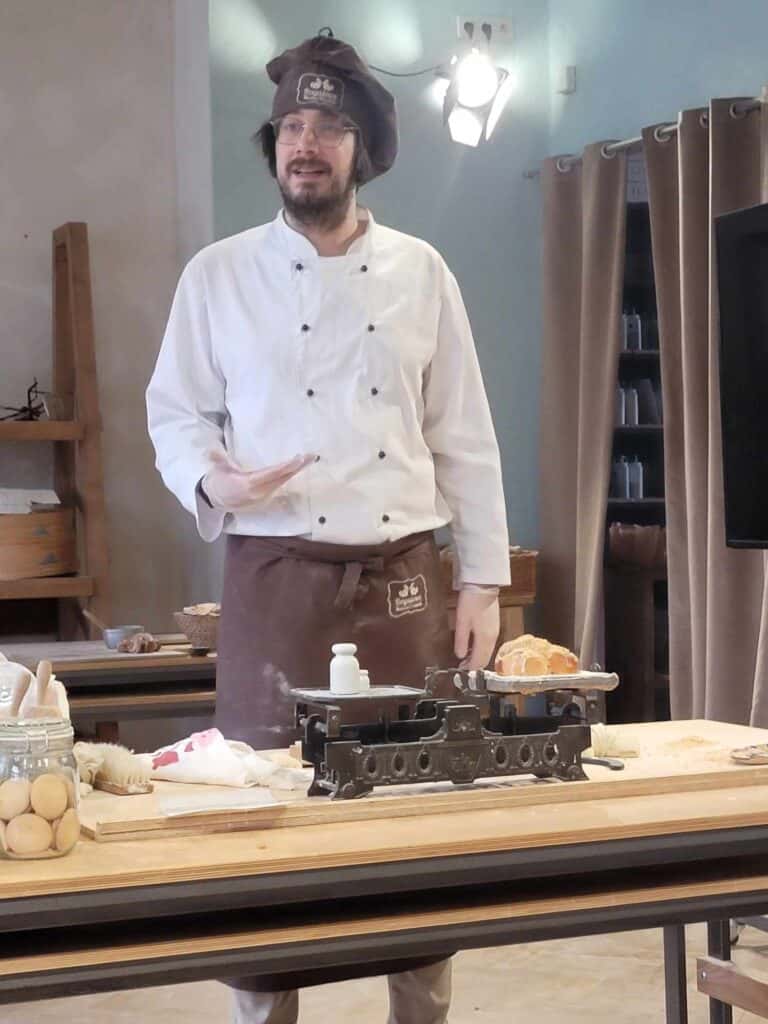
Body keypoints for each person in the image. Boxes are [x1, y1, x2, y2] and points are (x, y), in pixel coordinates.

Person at [147, 30, 510, 1024]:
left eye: (330, 127)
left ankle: (418, 1008)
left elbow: (464, 434)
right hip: (273, 579)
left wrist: (481, 579)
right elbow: (172, 413)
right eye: (292, 127)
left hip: (403, 580)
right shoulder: (215, 277)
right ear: (273, 147)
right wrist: (214, 475)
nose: (306, 144)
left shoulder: (423, 272)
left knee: (416, 817)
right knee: (262, 821)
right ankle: (265, 1013)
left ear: (364, 149)